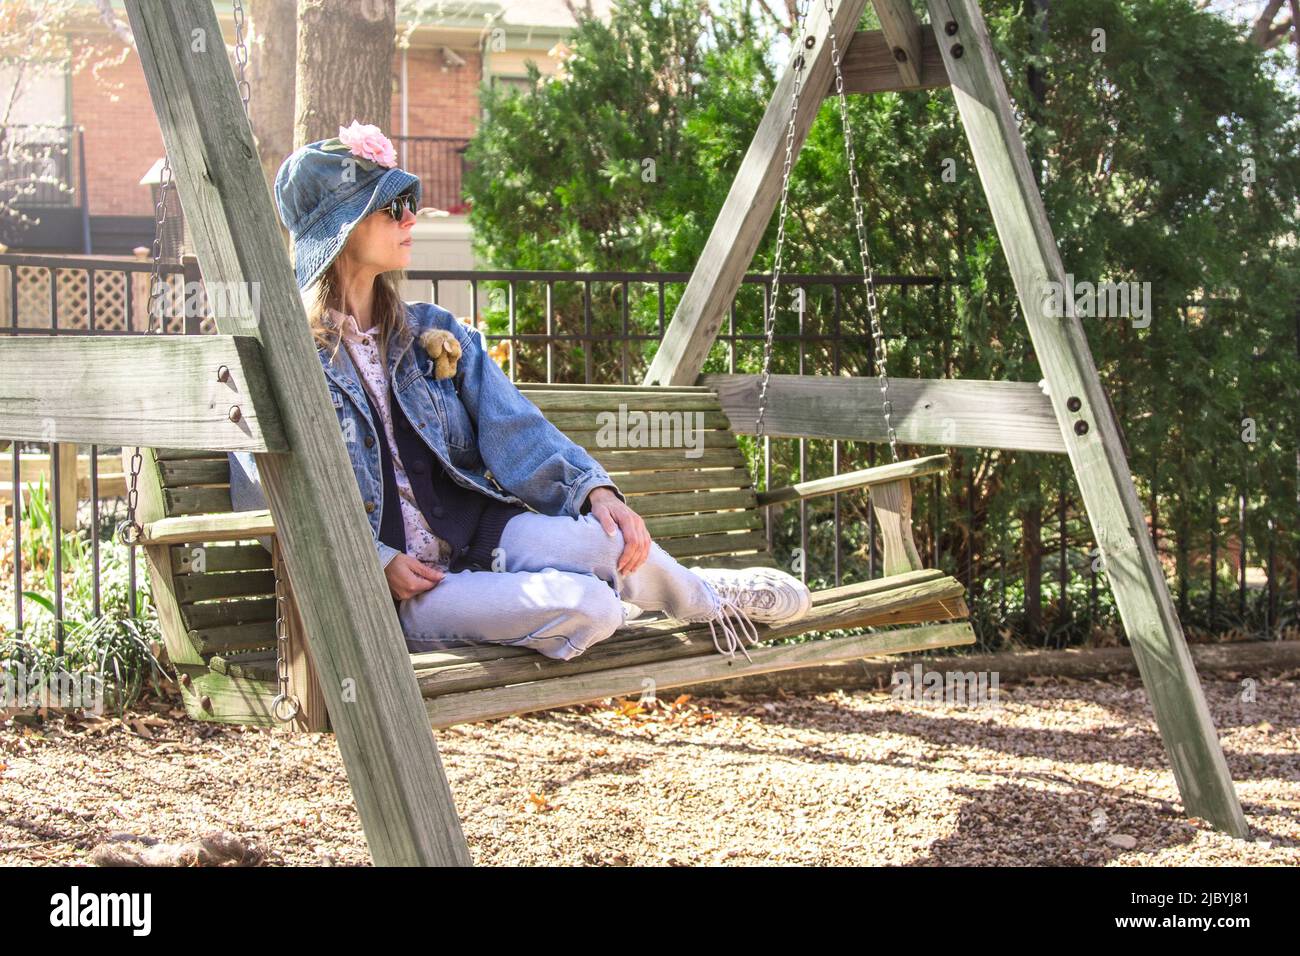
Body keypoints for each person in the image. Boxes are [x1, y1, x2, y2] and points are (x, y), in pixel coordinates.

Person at [230, 121, 812, 663]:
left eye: (409, 203)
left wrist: (595, 494)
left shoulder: (432, 330)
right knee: (592, 605)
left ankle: (705, 598)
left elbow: (514, 427)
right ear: (344, 227)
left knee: (608, 545)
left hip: (481, 537)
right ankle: (639, 596)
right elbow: (265, 496)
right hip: (403, 595)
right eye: (392, 207)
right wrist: (375, 562)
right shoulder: (288, 357)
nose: (412, 218)